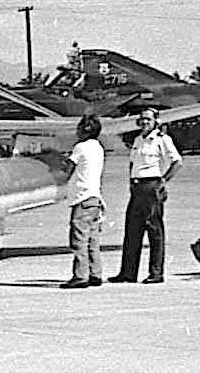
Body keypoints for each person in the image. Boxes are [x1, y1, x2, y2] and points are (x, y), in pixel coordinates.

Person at [110, 108, 182, 284]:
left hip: (152, 186)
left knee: (154, 230)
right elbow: (133, 163)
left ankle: (156, 273)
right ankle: (128, 273)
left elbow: (177, 162)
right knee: (132, 230)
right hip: (137, 187)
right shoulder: (138, 140)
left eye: (148, 119)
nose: (144, 122)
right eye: (142, 119)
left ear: (156, 121)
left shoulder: (162, 139)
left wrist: (163, 181)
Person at [60, 114, 105, 289]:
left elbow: (68, 168)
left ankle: (80, 276)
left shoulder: (80, 147)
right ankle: (95, 273)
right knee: (92, 238)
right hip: (94, 197)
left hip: (82, 198)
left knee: (79, 239)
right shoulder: (98, 147)